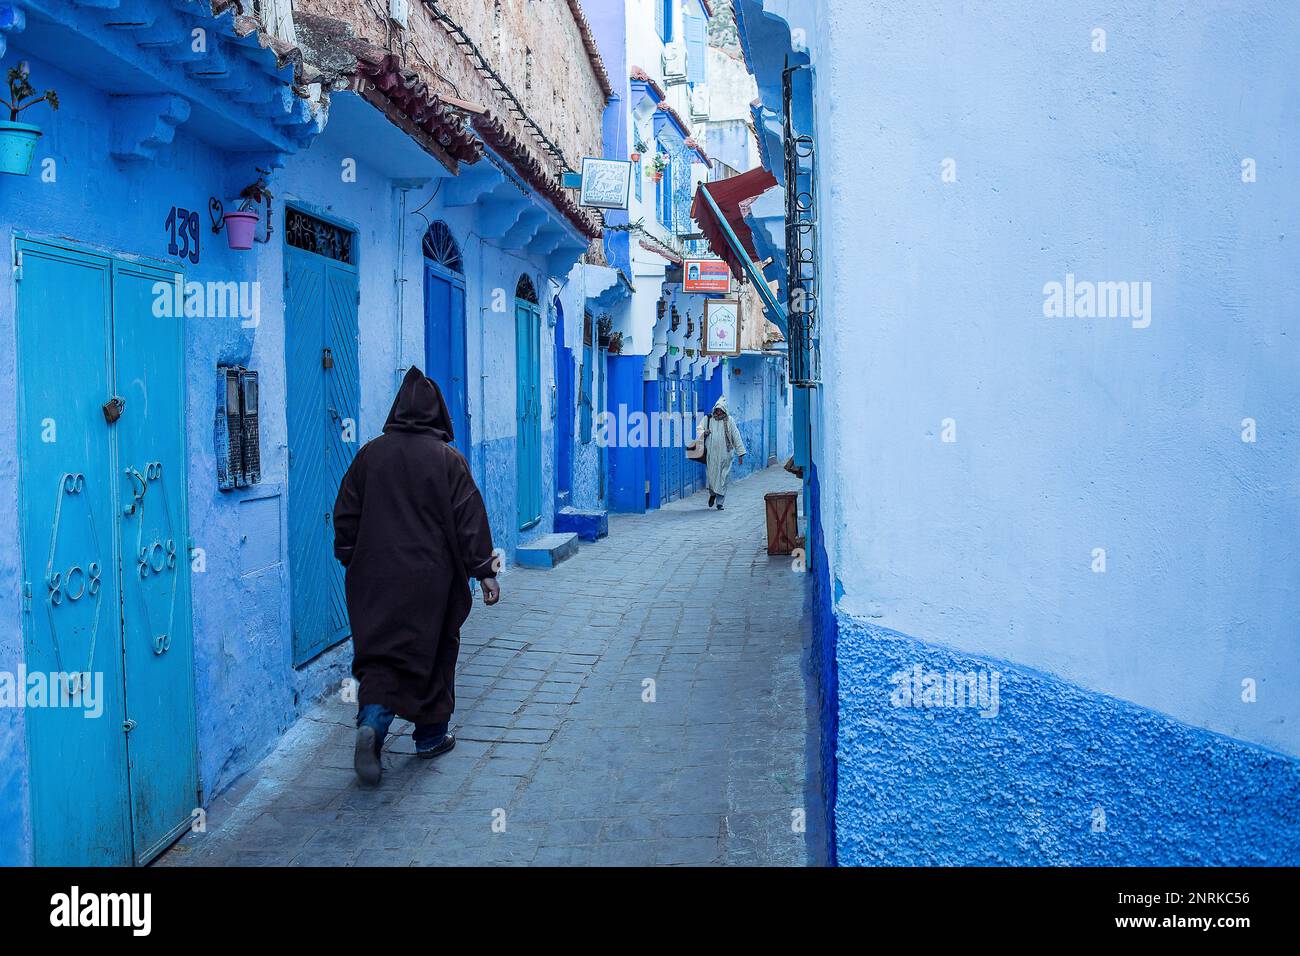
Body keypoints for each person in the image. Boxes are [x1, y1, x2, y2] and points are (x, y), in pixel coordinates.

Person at [333, 367, 500, 786]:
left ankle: (372, 722)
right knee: (435, 652)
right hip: (431, 581)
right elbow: (469, 518)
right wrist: (485, 572)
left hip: (374, 577)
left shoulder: (370, 455)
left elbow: (346, 511)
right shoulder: (448, 460)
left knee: (380, 655)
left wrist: (350, 555)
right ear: (438, 413)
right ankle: (429, 737)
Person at [701, 395, 746, 510]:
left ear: (724, 410)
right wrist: (704, 432)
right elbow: (698, 430)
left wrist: (740, 453)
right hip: (712, 455)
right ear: (715, 409)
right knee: (711, 477)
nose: (719, 412)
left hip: (726, 455)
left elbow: (736, 436)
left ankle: (720, 502)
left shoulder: (729, 420)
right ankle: (712, 494)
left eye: (721, 409)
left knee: (723, 478)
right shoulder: (709, 419)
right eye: (717, 409)